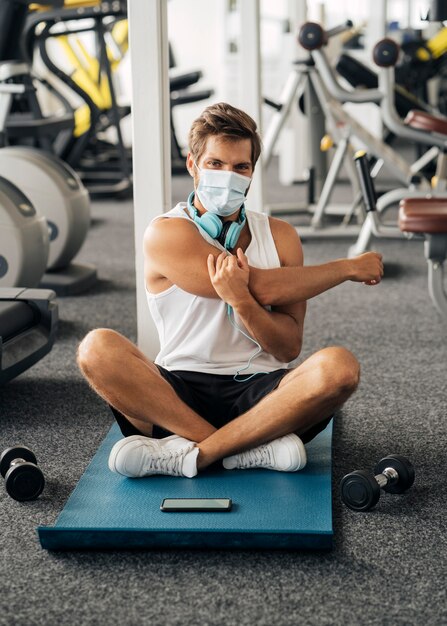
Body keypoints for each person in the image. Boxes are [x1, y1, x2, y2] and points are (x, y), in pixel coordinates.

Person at [77, 102, 383, 479]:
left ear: (252, 173)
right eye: (216, 164)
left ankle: (193, 455)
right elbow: (266, 286)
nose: (229, 176)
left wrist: (241, 301)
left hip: (266, 396)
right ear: (192, 165)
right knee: (95, 348)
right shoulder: (166, 232)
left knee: (340, 369)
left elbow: (287, 348)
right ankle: (245, 447)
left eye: (241, 167)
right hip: (178, 393)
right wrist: (348, 267)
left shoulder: (282, 237)